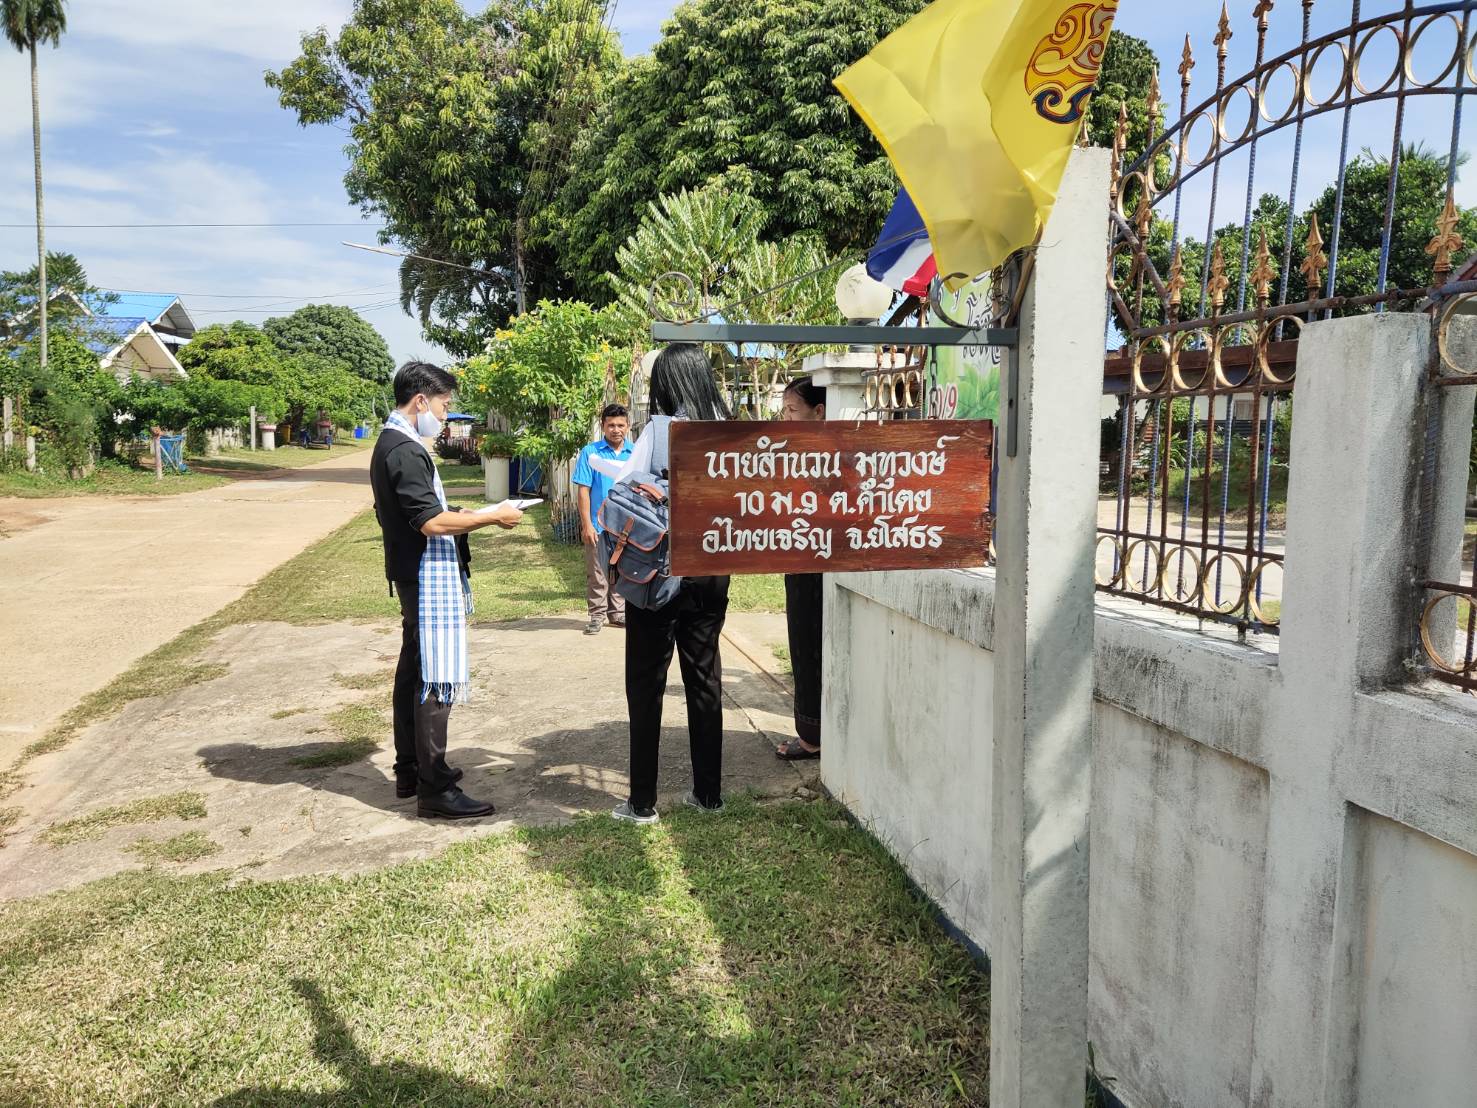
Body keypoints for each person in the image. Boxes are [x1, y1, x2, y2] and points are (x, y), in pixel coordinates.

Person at [369, 361, 524, 820]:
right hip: (422, 576)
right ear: (421, 401)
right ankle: (433, 788)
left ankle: (412, 770)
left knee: (413, 669)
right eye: (443, 404)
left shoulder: (390, 443)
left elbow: (421, 508)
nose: (445, 413)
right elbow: (430, 521)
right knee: (435, 674)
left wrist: (464, 510)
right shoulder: (406, 450)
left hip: (410, 571)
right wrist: (492, 515)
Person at [588, 343, 732, 824]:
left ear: (666, 383)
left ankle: (642, 802)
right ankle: (708, 794)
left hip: (659, 573)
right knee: (705, 679)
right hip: (712, 571)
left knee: (646, 684)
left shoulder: (659, 429)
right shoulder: (729, 431)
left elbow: (629, 485)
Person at [774, 377, 825, 761]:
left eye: (792, 411)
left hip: (816, 566)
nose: (785, 418)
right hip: (799, 560)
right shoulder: (793, 452)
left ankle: (812, 736)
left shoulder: (827, 453)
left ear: (819, 412)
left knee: (810, 646)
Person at [571, 403, 633, 635]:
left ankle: (617, 614)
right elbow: (583, 490)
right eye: (611, 425)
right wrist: (586, 524)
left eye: (620, 425)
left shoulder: (635, 453)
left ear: (627, 426)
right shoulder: (591, 452)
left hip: (626, 526)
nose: (616, 430)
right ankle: (596, 614)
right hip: (598, 524)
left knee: (621, 569)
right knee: (597, 571)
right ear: (603, 426)